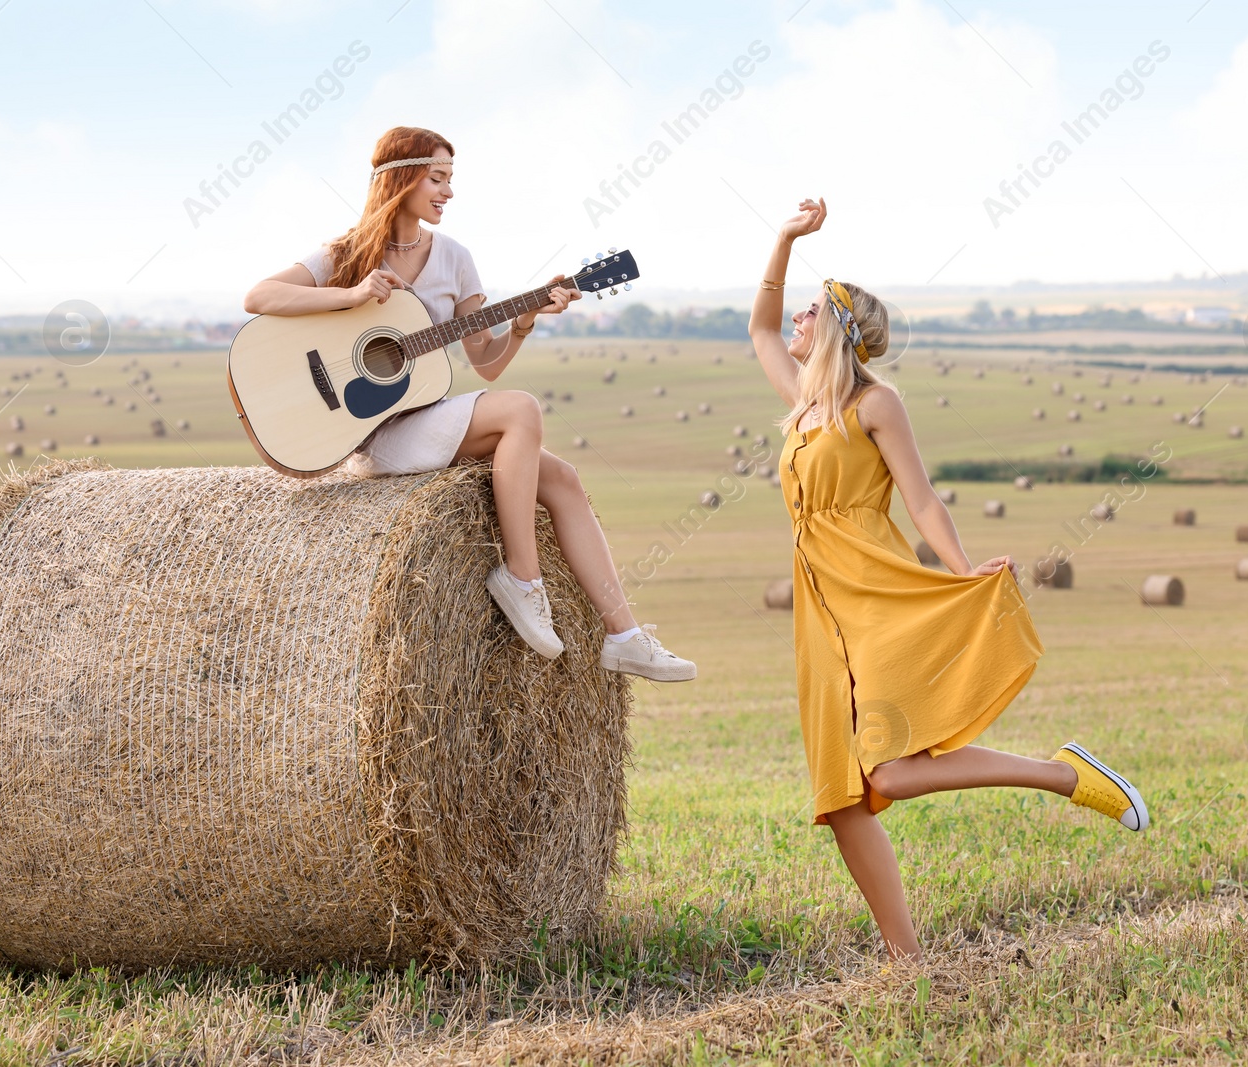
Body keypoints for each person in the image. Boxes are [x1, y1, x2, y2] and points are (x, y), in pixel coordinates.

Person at [748, 197, 1148, 960]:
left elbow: (922, 498)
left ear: (835, 328)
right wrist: (783, 239)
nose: (794, 318)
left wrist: (966, 573)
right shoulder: (802, 404)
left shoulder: (875, 403)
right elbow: (760, 327)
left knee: (892, 773)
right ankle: (907, 958)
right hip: (817, 610)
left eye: (810, 310)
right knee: (845, 796)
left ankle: (1060, 776)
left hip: (877, 593)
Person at [244, 125, 695, 682]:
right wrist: (352, 294)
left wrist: (525, 322)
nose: (448, 192)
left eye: (450, 179)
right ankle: (523, 578)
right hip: (371, 435)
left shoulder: (455, 259)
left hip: (426, 422)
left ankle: (624, 636)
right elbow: (258, 296)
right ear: (400, 179)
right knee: (522, 409)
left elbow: (486, 362)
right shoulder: (346, 253)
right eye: (438, 178)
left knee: (563, 480)